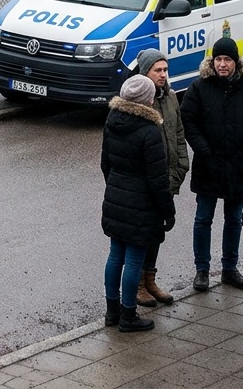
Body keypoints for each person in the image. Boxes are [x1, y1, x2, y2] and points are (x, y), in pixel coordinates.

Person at [180, 36, 243, 292]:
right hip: (209, 165)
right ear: (212, 61)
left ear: (236, 62)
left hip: (239, 165)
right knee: (203, 219)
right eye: (218, 59)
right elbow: (189, 121)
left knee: (234, 219)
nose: (222, 64)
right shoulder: (199, 87)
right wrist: (204, 150)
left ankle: (230, 268)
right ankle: (202, 270)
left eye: (227, 59)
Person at [101, 74, 175, 333]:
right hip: (142, 205)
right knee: (133, 261)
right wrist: (168, 211)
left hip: (115, 198)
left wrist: (116, 188)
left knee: (115, 256)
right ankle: (129, 315)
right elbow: (158, 179)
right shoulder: (149, 130)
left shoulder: (112, 120)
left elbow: (105, 164)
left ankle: (112, 312)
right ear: (147, 100)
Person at [131, 49, 189, 308]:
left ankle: (150, 279)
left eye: (165, 70)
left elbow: (178, 134)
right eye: (158, 70)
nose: (164, 75)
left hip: (167, 179)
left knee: (157, 233)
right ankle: (138, 286)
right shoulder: (138, 101)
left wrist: (179, 171)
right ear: (145, 72)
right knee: (142, 235)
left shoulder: (171, 98)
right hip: (145, 185)